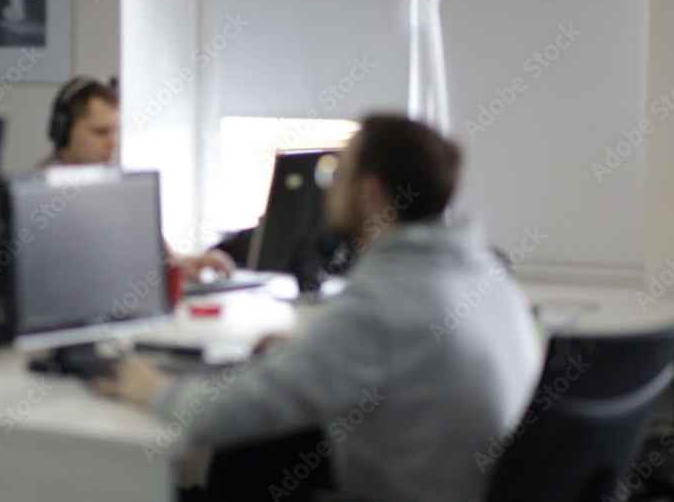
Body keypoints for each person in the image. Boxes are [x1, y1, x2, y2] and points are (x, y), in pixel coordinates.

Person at [94, 114, 544, 501]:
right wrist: (313, 349)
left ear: (370, 193)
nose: (326, 190)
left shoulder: (380, 307)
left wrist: (154, 389)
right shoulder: (483, 273)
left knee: (248, 441)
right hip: (463, 483)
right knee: (269, 450)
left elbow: (222, 416)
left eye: (336, 174)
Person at [41, 76, 235, 282]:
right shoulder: (39, 200)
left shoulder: (120, 192)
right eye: (100, 132)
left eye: (115, 131)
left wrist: (188, 265)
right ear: (62, 131)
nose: (112, 142)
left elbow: (163, 261)